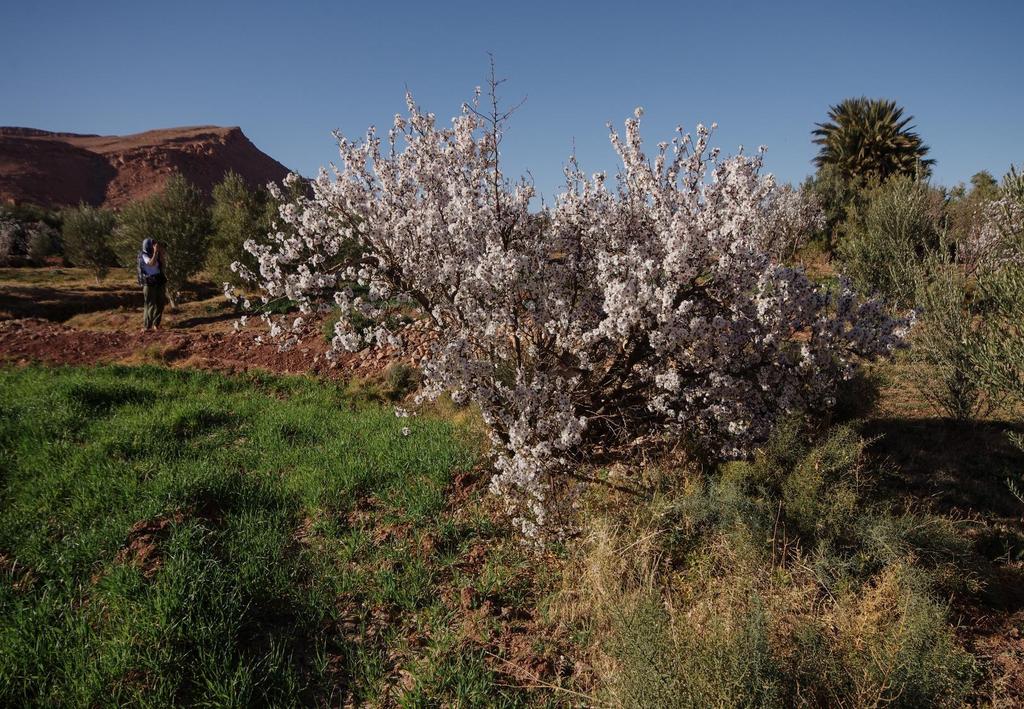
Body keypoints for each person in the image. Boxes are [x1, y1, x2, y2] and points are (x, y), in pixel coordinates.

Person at [137, 238, 166, 332]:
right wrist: (155, 252)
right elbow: (151, 263)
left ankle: (156, 324)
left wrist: (160, 253)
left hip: (159, 280)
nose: (154, 246)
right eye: (152, 244)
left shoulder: (156, 254)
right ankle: (147, 326)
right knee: (150, 305)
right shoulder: (143, 254)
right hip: (149, 282)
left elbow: (163, 264)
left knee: (160, 303)